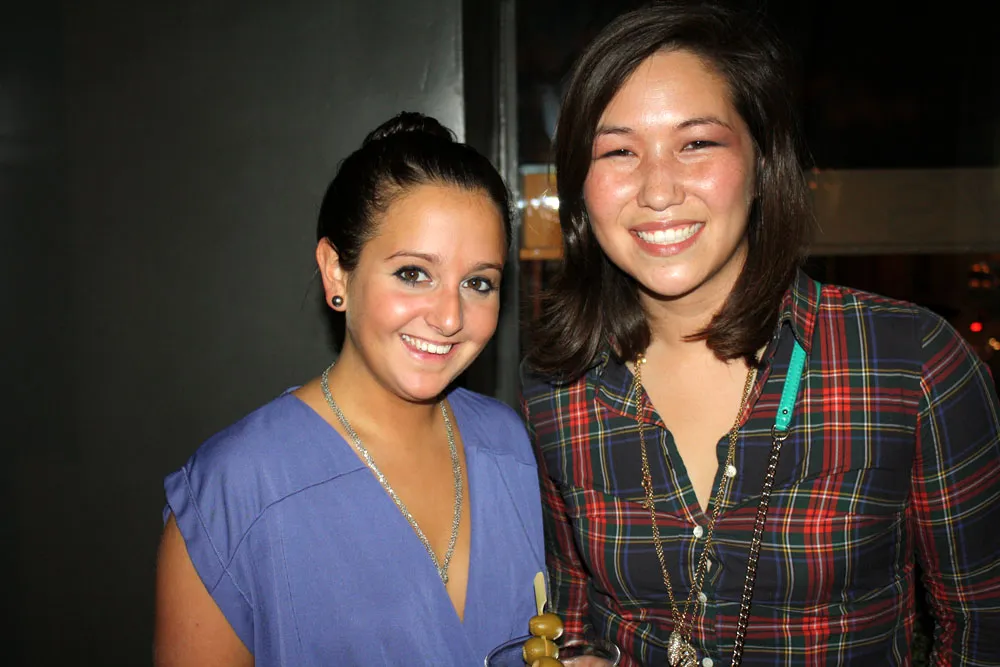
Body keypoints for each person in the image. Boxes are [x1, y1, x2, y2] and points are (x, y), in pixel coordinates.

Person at [520, 3, 1000, 666]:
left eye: (696, 144)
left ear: (762, 160)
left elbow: (982, 626)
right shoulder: (558, 387)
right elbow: (570, 617)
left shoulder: (909, 363)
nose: (657, 190)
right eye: (619, 151)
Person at [154, 112, 544, 666]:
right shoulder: (235, 490)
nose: (450, 317)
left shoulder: (508, 444)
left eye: (478, 283)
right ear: (337, 272)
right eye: (413, 273)